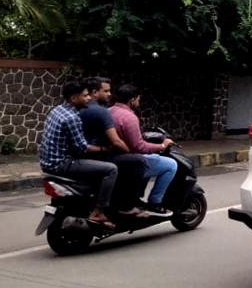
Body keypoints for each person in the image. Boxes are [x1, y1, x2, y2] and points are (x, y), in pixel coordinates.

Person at [39, 80, 118, 229]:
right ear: (74, 98)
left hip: (46, 163)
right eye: (85, 96)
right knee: (111, 169)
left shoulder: (57, 110)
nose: (89, 98)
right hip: (63, 164)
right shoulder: (72, 118)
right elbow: (82, 148)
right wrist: (104, 149)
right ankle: (99, 211)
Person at [79, 76, 149, 217]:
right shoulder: (101, 111)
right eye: (106, 91)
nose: (109, 94)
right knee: (138, 161)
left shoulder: (79, 108)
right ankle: (127, 205)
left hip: (81, 155)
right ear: (94, 92)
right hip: (96, 156)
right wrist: (130, 152)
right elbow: (116, 142)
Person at [109, 84, 177, 216]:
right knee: (170, 165)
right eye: (138, 99)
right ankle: (155, 203)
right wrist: (162, 145)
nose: (138, 102)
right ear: (132, 100)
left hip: (112, 156)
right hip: (128, 159)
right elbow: (139, 146)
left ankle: (137, 198)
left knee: (152, 159)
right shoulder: (129, 117)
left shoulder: (108, 111)